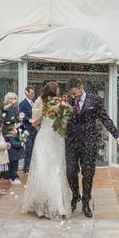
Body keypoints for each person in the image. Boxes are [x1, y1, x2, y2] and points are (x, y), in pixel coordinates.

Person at [66, 78, 119, 218]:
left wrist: (117, 136)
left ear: (80, 87)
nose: (74, 97)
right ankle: (75, 196)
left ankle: (86, 202)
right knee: (70, 171)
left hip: (89, 143)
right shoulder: (67, 101)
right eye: (71, 95)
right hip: (71, 143)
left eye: (75, 93)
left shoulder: (95, 99)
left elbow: (105, 119)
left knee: (88, 173)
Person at [21, 82, 72, 220]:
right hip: (49, 138)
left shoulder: (53, 103)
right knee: (49, 170)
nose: (59, 91)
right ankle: (50, 205)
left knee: (50, 170)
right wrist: (47, 115)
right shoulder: (49, 103)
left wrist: (51, 116)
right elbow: (36, 123)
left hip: (51, 138)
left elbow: (36, 123)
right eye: (58, 89)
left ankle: (52, 205)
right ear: (53, 91)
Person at [19, 86, 37, 173]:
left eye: (34, 93)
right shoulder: (22, 104)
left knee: (35, 149)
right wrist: (29, 119)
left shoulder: (34, 103)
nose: (33, 95)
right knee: (29, 149)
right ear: (26, 93)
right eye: (31, 93)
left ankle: (33, 167)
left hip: (35, 129)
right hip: (27, 129)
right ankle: (26, 168)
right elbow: (21, 116)